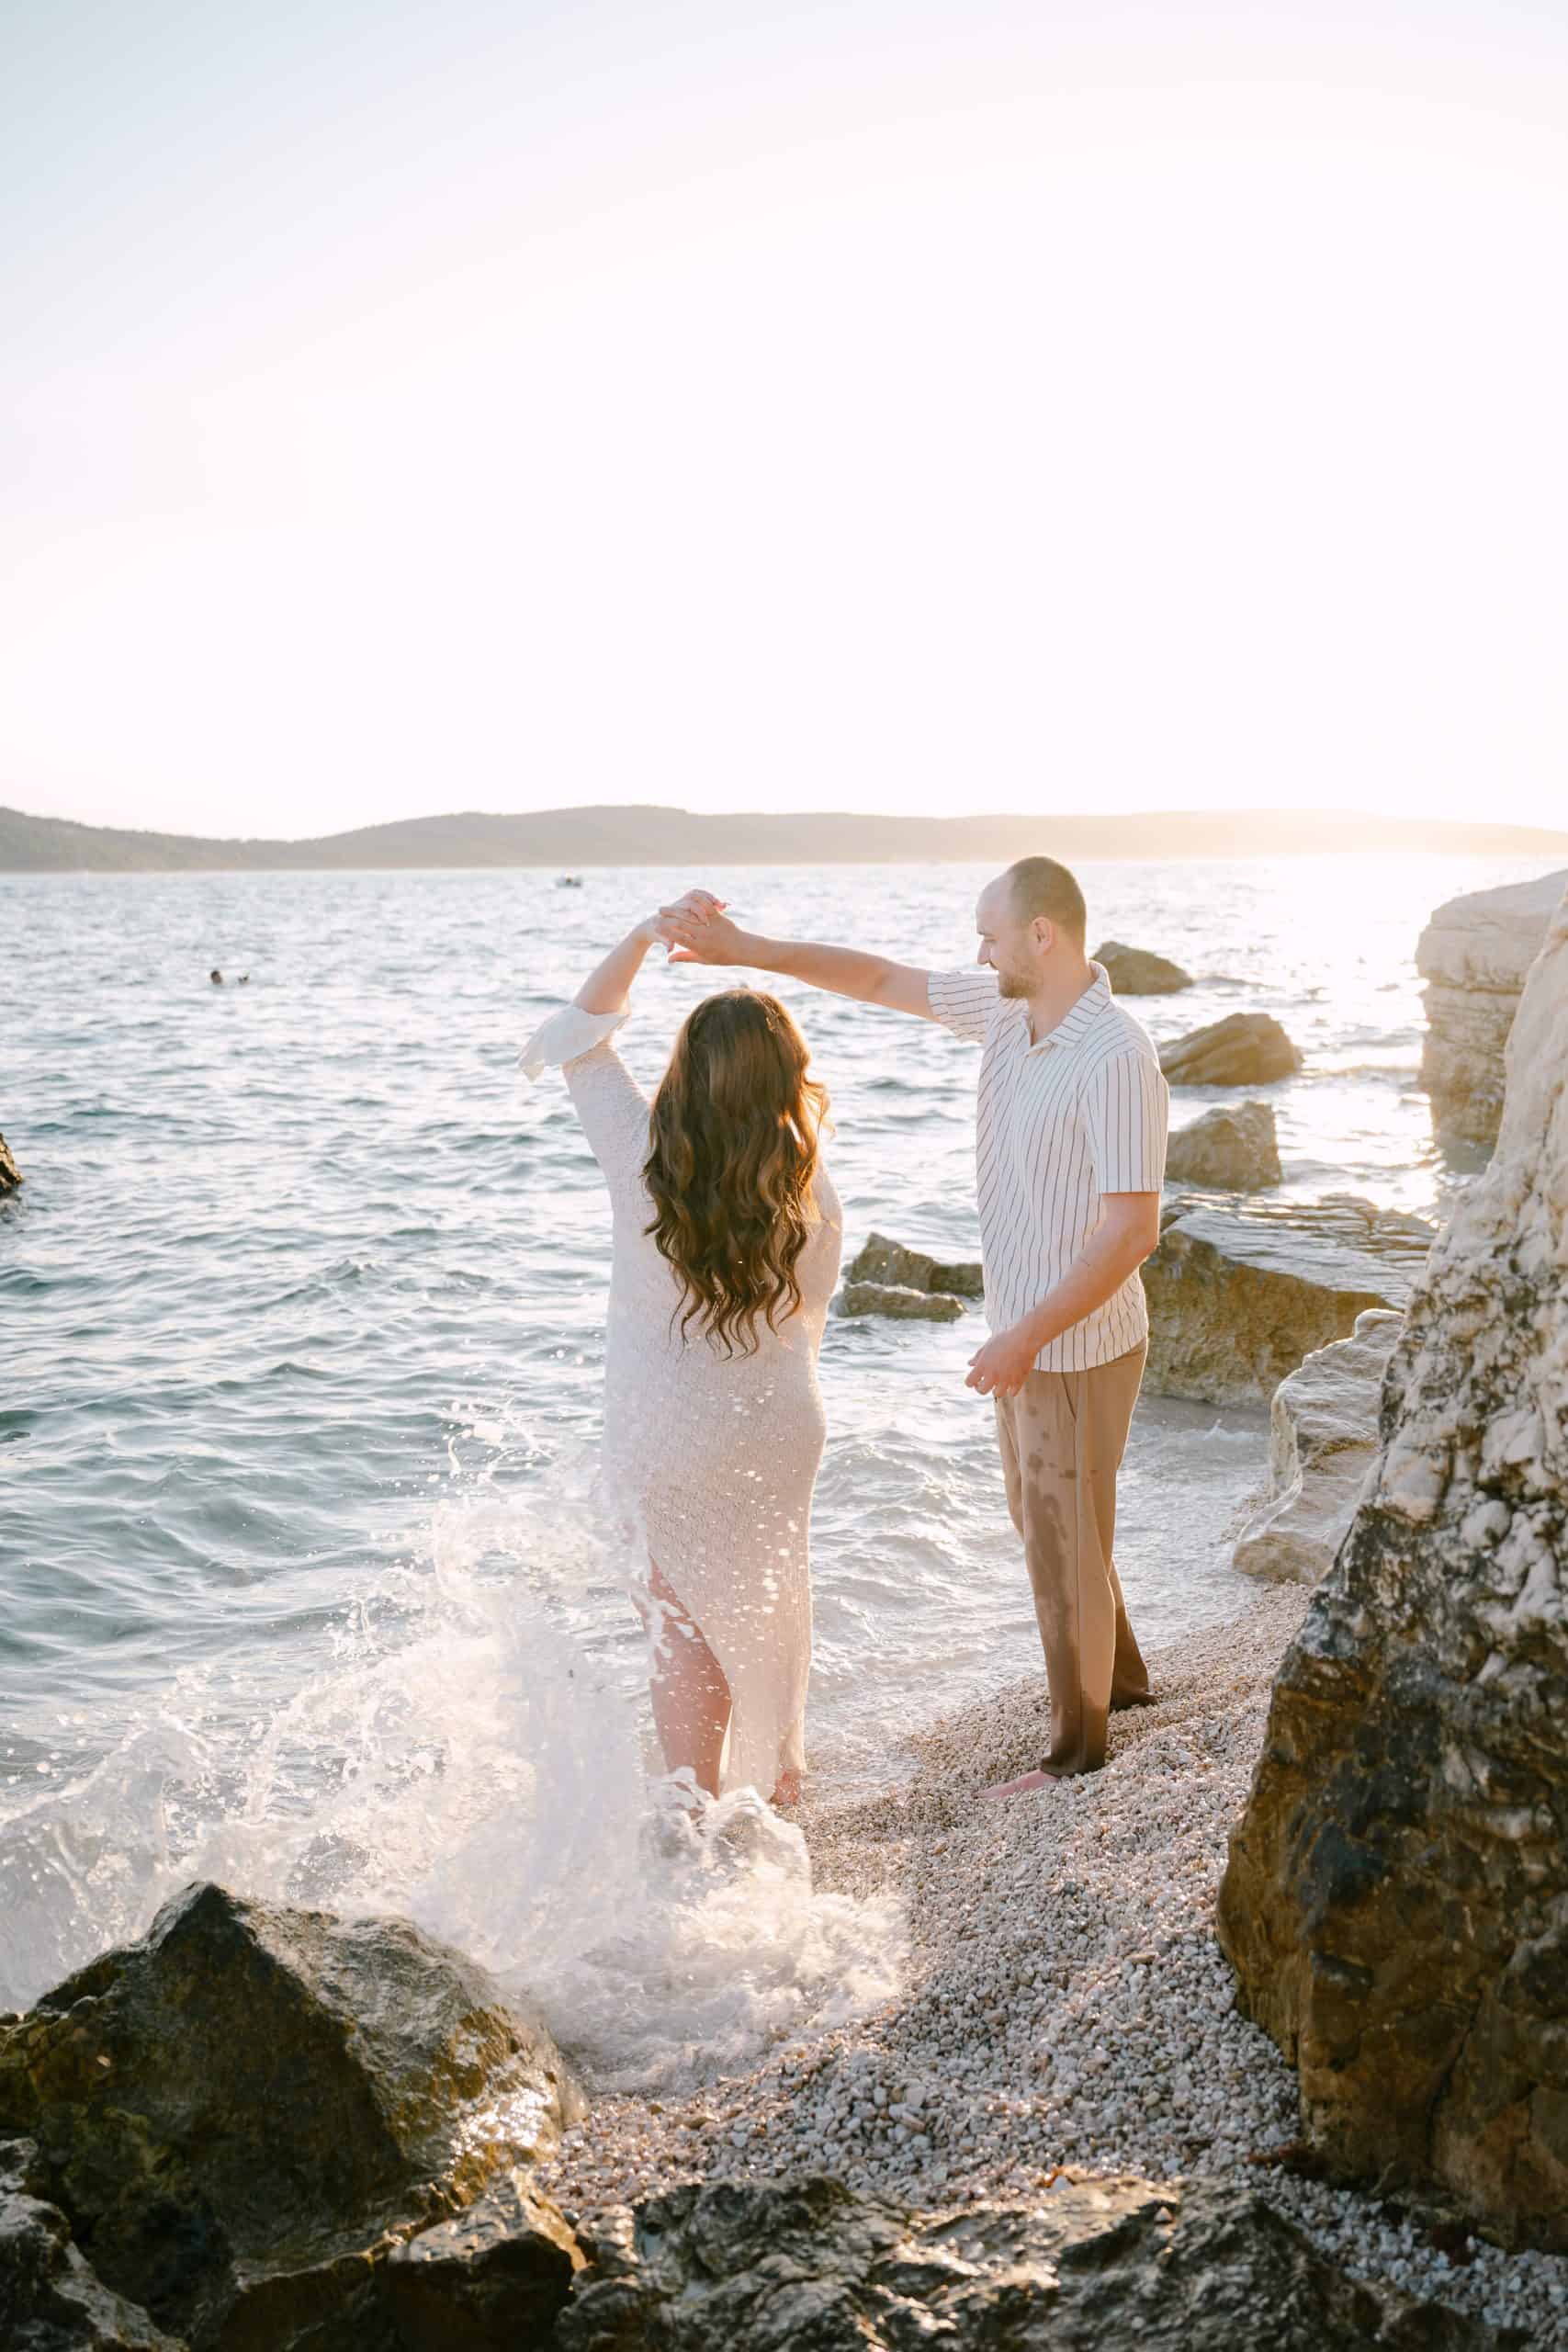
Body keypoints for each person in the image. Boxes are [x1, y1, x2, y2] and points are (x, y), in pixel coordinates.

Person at [660, 858, 1168, 1792]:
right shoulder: (1008, 1016)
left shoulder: (1115, 1055)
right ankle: (1123, 1685)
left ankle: (1078, 1754)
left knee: (1060, 1539)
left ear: (1041, 936)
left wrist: (1024, 1337)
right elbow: (878, 978)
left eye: (991, 933)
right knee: (1055, 1520)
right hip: (1026, 1329)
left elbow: (1133, 1230)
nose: (980, 950)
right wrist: (746, 951)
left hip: (1076, 1340)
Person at [520, 906, 842, 1806]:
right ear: (786, 1076)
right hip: (780, 1424)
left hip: (668, 1429)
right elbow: (813, 1305)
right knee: (773, 1601)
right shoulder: (804, 1177)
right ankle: (775, 1781)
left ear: (686, 1072)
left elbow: (579, 1036)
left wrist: (639, 938)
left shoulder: (642, 1153)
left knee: (681, 1625)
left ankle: (693, 1810)